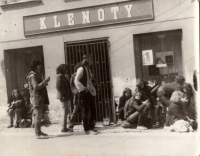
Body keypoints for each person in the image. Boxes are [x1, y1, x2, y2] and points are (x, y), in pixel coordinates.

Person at [74, 54, 98, 135]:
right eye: (90, 60)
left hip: (89, 93)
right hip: (84, 93)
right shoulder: (81, 69)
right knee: (85, 111)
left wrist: (92, 89)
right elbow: (76, 80)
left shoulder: (88, 69)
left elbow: (89, 81)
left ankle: (91, 127)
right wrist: (84, 89)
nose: (91, 62)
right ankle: (86, 129)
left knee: (91, 110)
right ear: (87, 61)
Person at [27, 59, 50, 139]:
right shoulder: (32, 76)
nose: (40, 66)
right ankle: (37, 134)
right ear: (35, 66)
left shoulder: (36, 74)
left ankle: (39, 131)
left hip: (39, 97)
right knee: (38, 116)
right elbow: (36, 87)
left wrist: (44, 83)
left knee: (39, 116)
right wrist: (44, 82)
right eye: (38, 65)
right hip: (36, 98)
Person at [56, 64, 72, 132]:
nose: (67, 71)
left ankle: (64, 127)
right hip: (63, 96)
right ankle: (63, 128)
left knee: (66, 111)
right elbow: (58, 86)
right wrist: (65, 93)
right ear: (62, 69)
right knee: (65, 112)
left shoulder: (62, 76)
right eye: (66, 69)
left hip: (65, 95)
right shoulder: (60, 76)